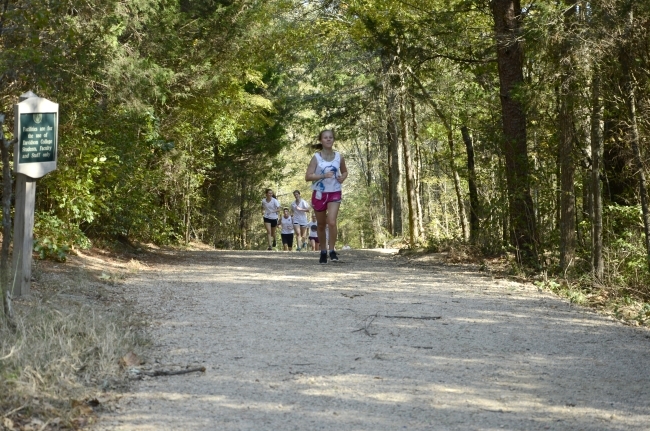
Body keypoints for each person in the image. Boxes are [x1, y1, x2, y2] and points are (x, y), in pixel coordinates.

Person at [304, 129, 348, 264]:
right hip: (319, 193)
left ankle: (332, 250)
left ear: (333, 140)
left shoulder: (339, 156)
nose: (328, 139)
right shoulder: (316, 157)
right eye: (325, 137)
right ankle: (323, 251)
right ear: (321, 140)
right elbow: (308, 176)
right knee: (321, 225)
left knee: (332, 222)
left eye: (330, 137)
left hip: (334, 191)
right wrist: (322, 175)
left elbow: (345, 171)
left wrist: (342, 178)